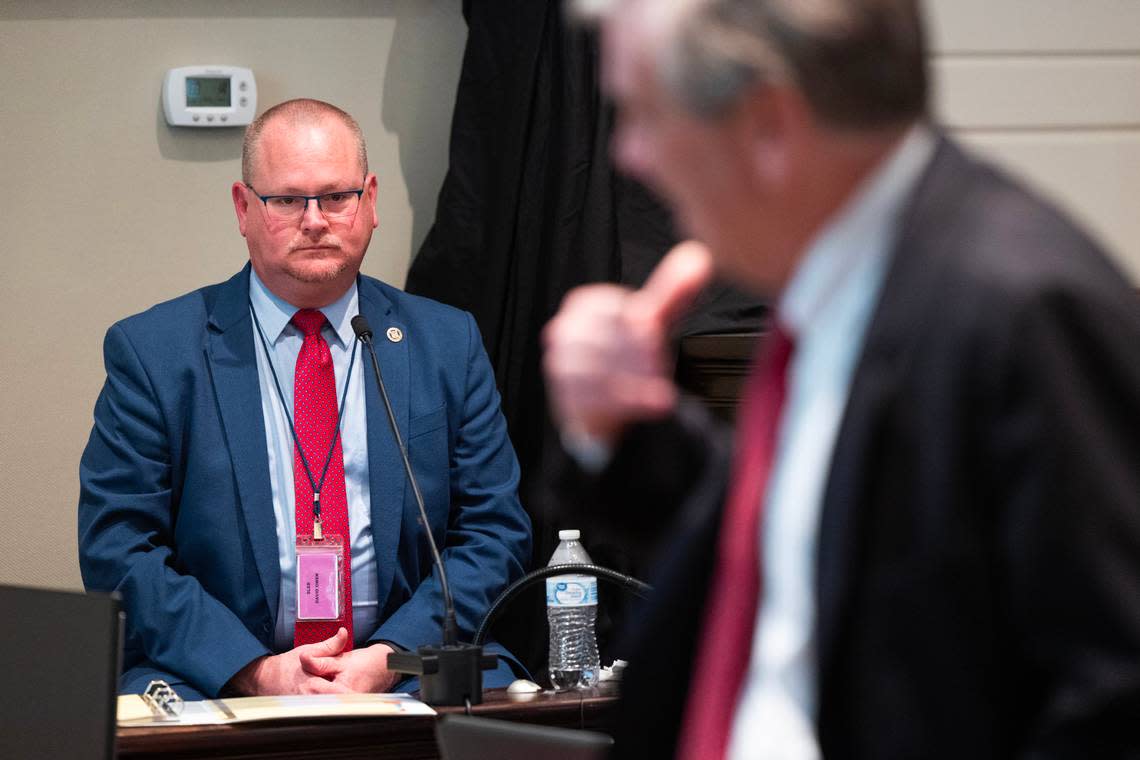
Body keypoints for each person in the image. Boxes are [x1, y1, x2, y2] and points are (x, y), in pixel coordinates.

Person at [542, 1, 1140, 757]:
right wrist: (625, 429)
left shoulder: (1024, 310)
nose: (629, 155)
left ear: (769, 125)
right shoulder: (834, 282)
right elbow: (813, 559)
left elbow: (1114, 697)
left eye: (644, 114)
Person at [79, 99, 531, 699]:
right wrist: (255, 670)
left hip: (408, 668)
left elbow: (494, 532)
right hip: (221, 677)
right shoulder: (155, 353)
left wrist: (391, 657)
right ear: (243, 209)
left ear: (370, 202)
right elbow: (120, 548)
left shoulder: (447, 343)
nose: (314, 220)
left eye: (336, 197)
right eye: (287, 200)